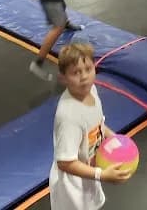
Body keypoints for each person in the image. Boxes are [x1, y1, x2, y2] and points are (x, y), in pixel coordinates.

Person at [49, 42, 132, 209]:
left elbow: (98, 124)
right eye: (76, 73)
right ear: (63, 78)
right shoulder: (69, 117)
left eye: (88, 69)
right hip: (73, 187)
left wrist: (115, 138)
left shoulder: (91, 90)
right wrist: (101, 175)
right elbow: (65, 163)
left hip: (89, 174)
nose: (84, 77)